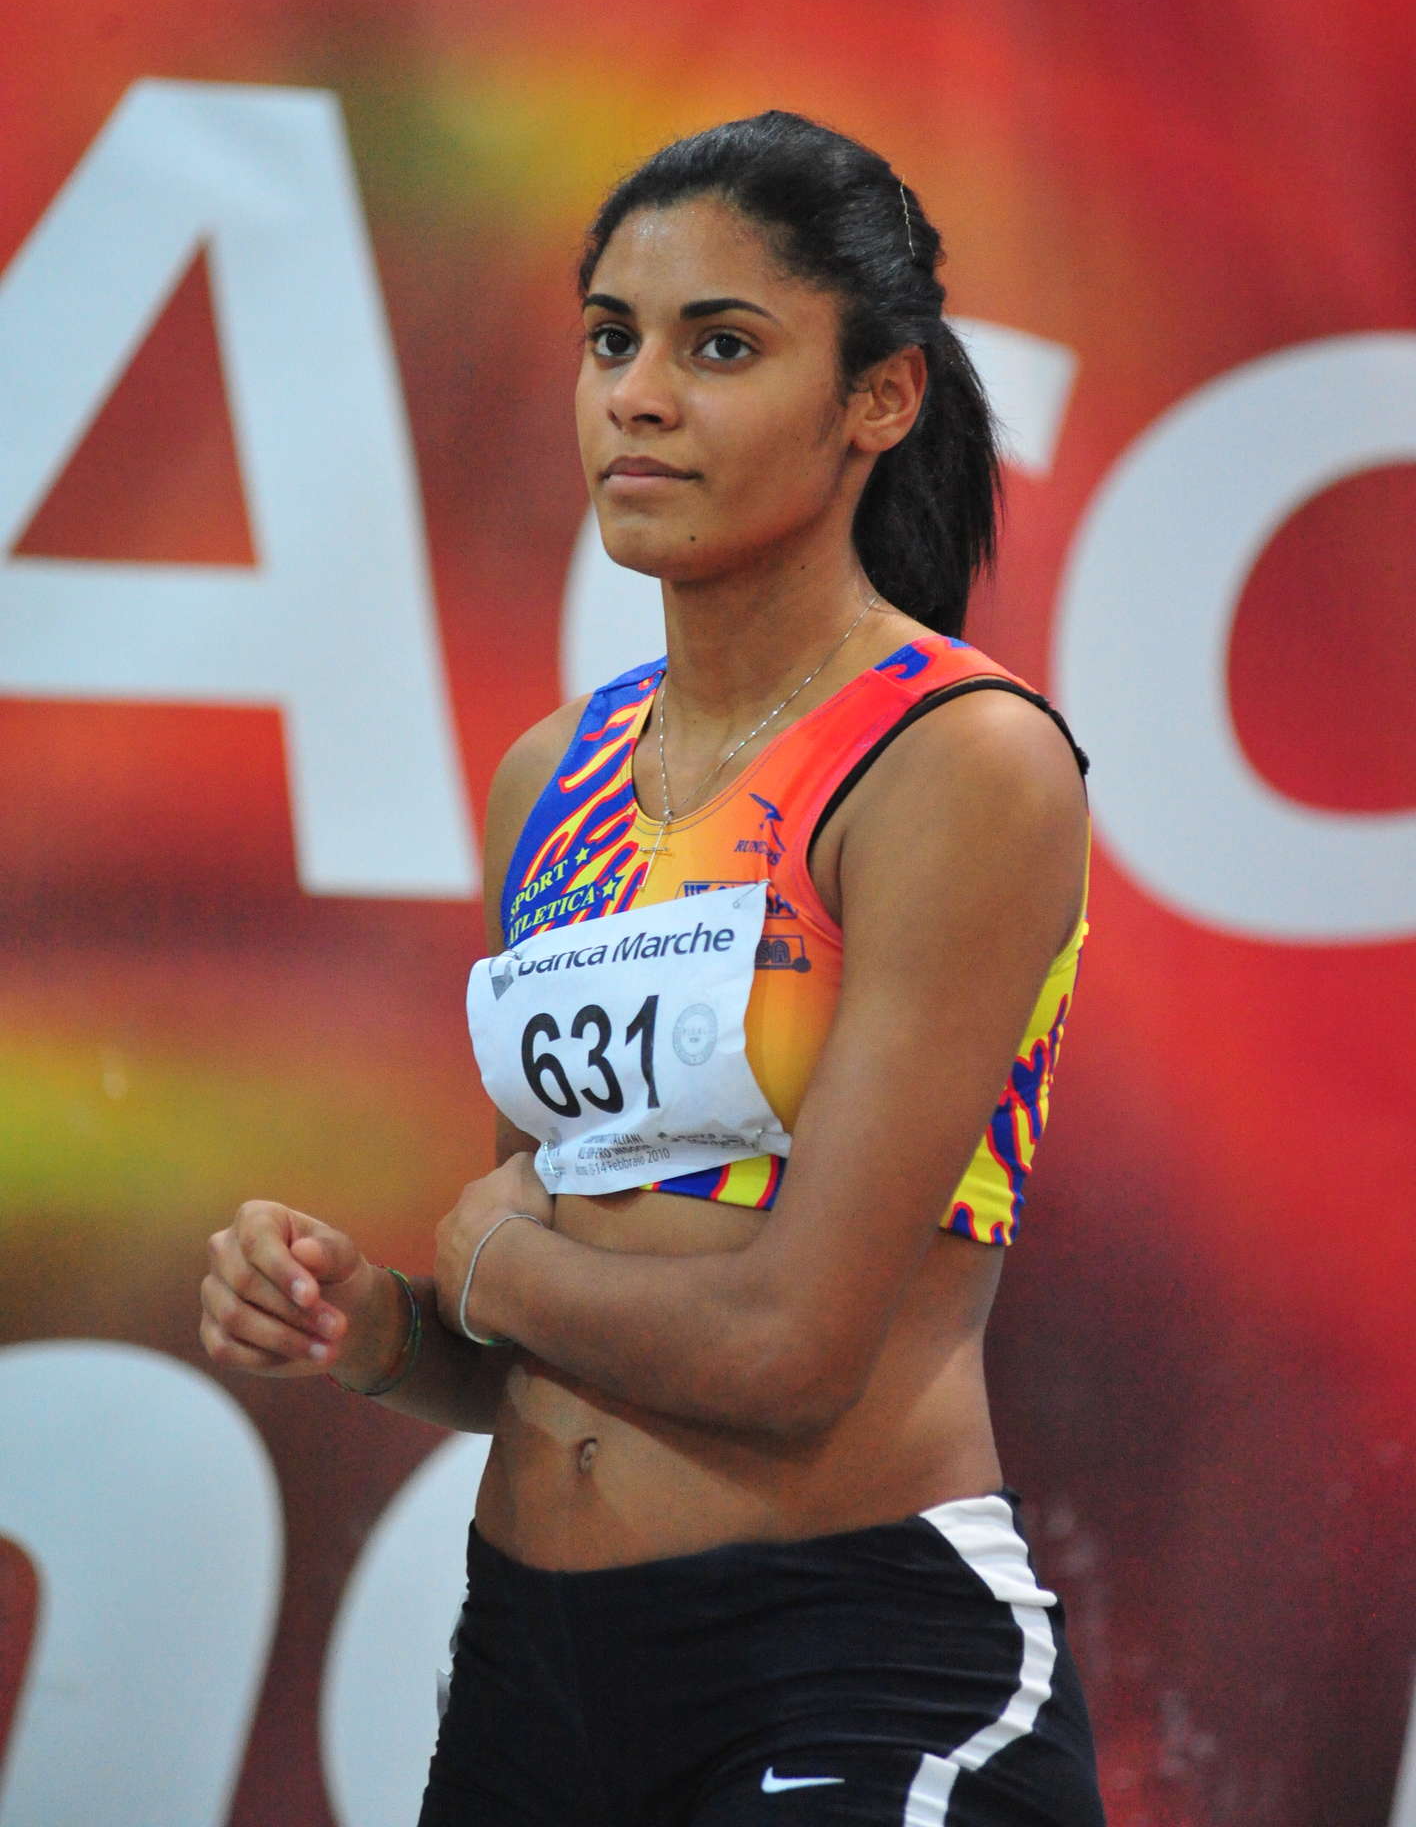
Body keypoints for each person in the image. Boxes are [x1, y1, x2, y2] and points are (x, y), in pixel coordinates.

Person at [200, 110, 1106, 1825]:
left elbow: (787, 1352)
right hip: (534, 1676)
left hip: (852, 1661)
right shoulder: (552, 777)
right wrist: (381, 1322)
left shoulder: (958, 762)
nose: (639, 396)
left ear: (880, 398)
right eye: (612, 339)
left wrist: (490, 1262)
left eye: (722, 346)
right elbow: (536, 1331)